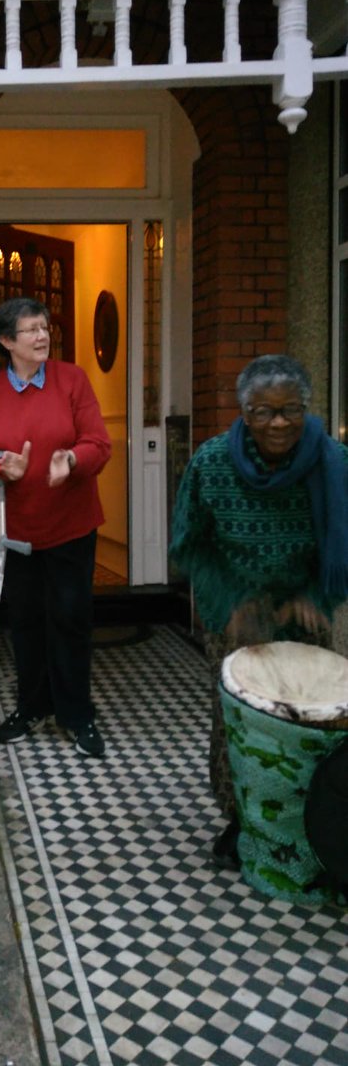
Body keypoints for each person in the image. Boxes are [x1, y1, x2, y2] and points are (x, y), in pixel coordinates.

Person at [169, 354, 348, 869]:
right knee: (240, 725)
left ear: (307, 409)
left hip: (304, 615)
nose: (278, 423)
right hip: (236, 617)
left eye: (290, 410)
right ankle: (242, 820)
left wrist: (315, 599)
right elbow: (189, 543)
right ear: (244, 412)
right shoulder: (211, 463)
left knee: (309, 724)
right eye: (264, 411)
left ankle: (309, 822)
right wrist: (229, 602)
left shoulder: (333, 462)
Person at [0, 297, 112, 756]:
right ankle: (31, 707)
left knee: (69, 620)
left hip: (70, 525)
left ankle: (76, 713)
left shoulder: (72, 380)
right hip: (14, 530)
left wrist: (70, 459)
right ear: (7, 341)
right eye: (30, 330)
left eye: (45, 327)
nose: (42, 336)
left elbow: (98, 443)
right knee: (25, 622)